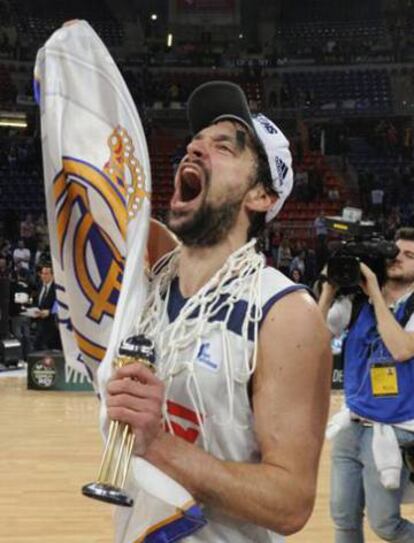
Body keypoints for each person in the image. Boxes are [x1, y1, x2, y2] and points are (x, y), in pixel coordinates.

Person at [106, 81, 332, 542]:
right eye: (195, 144)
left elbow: (290, 503)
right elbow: (99, 204)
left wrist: (159, 443)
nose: (194, 150)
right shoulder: (151, 279)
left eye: (223, 147)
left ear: (262, 196)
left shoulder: (286, 314)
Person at [318, 227, 414, 542]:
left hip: (396, 427)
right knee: (343, 519)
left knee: (386, 525)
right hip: (351, 421)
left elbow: (401, 349)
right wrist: (329, 291)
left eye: (409, 256)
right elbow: (313, 341)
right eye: (395, 252)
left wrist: (375, 292)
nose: (398, 259)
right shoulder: (355, 301)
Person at [33, 264, 57, 350]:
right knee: (37, 347)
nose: (43, 276)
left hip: (53, 325)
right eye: (42, 273)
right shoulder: (39, 285)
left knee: (51, 349)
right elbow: (37, 302)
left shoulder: (57, 288)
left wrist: (49, 312)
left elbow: (60, 304)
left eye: (46, 273)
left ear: (53, 275)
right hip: (40, 323)